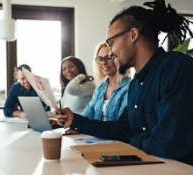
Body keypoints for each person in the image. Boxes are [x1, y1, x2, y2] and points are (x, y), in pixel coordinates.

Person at [54, 0, 193, 165]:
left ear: (133, 35)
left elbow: (168, 143)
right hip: (151, 169)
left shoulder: (177, 68)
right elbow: (123, 129)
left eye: (111, 43)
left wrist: (131, 142)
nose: (111, 53)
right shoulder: (136, 83)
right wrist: (75, 120)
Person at [82, 42, 131, 121]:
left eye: (108, 58)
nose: (104, 63)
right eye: (100, 59)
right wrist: (72, 121)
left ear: (118, 59)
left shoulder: (129, 87)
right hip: (97, 133)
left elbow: (121, 123)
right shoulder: (100, 88)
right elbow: (87, 114)